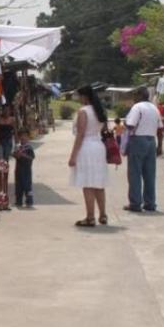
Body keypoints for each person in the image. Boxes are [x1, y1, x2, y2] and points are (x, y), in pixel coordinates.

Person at [69, 85, 109, 226]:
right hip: (98, 146)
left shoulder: (83, 111)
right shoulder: (99, 111)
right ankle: (103, 214)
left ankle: (90, 217)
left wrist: (73, 156)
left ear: (84, 96)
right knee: (99, 182)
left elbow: (80, 134)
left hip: (86, 148)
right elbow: (103, 129)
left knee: (87, 183)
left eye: (79, 96)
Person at [125, 86, 162, 212]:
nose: (134, 98)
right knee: (149, 174)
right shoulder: (154, 108)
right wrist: (160, 146)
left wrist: (125, 124)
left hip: (138, 140)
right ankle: (150, 203)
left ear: (140, 95)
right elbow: (160, 128)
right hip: (151, 141)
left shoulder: (137, 107)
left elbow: (130, 124)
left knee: (134, 173)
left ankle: (135, 204)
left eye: (135, 95)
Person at [12, 129, 35, 207]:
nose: (23, 138)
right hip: (18, 170)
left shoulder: (29, 147)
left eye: (25, 136)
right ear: (19, 137)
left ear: (28, 137)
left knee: (27, 186)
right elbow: (14, 155)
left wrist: (23, 155)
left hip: (26, 170)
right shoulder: (17, 146)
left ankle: (29, 201)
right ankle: (19, 201)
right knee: (18, 186)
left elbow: (32, 157)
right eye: (21, 136)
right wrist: (17, 154)